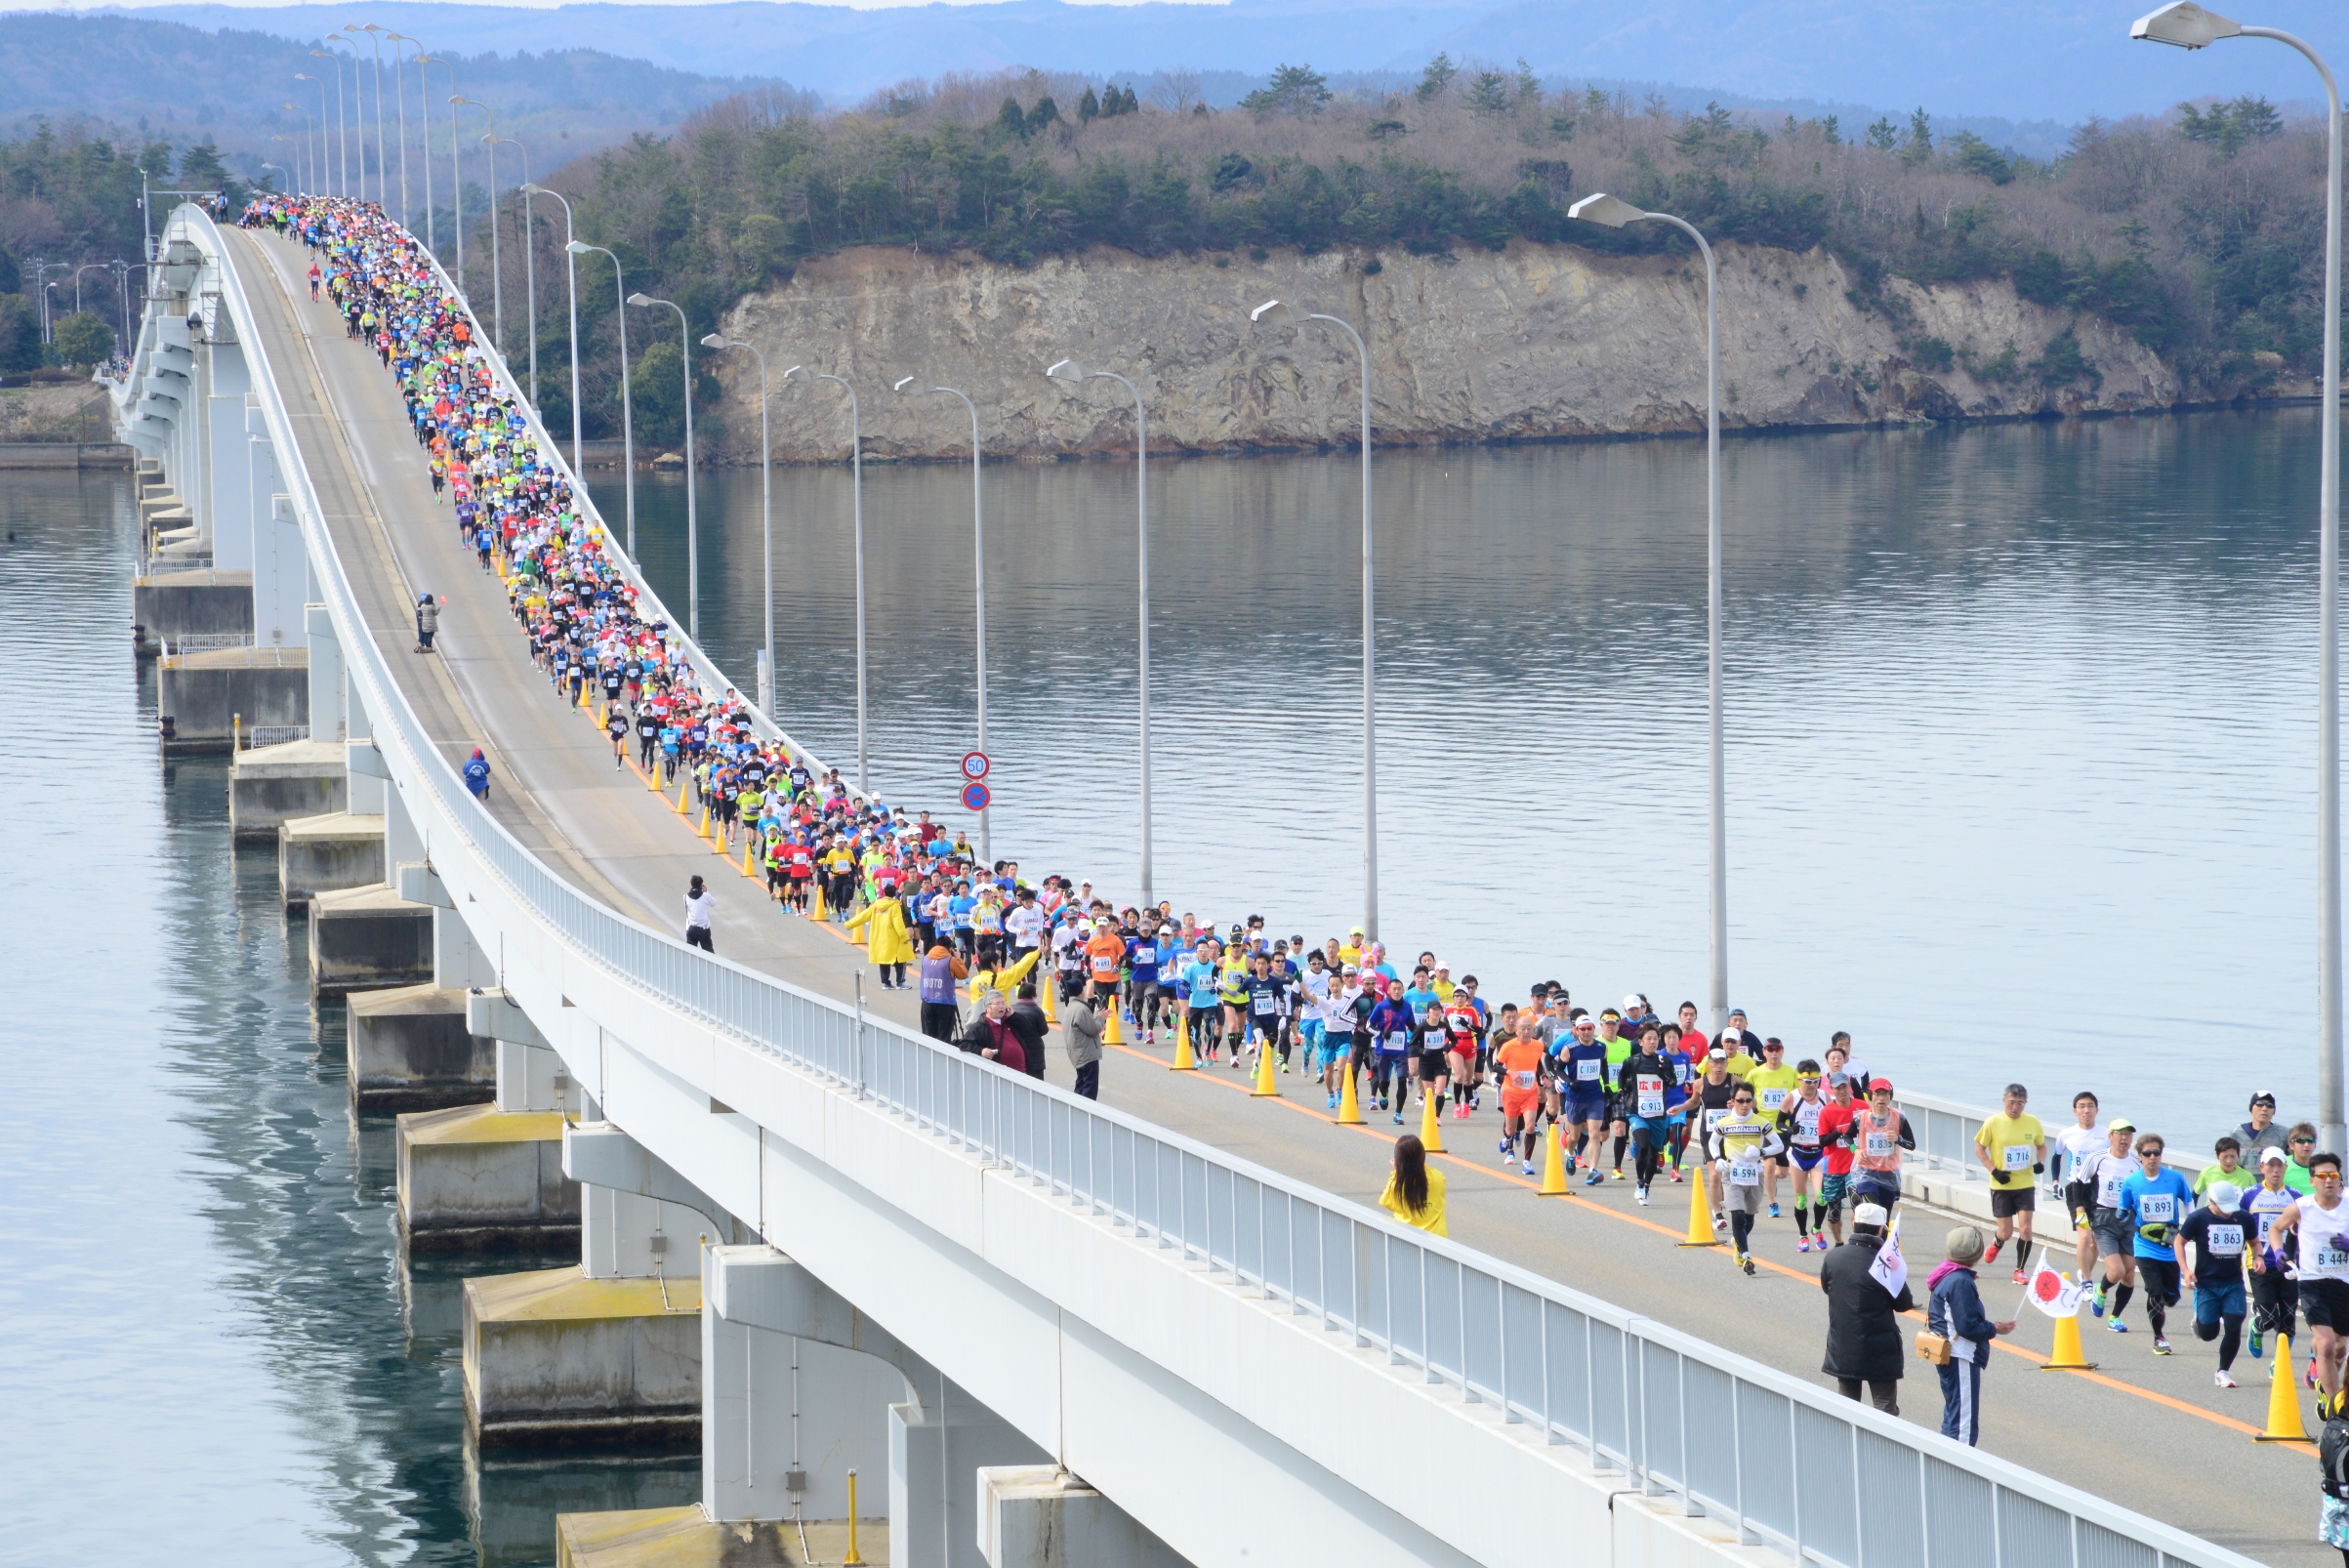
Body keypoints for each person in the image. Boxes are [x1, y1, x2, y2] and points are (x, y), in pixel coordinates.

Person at [2259, 1150, 2349, 1416]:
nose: (2328, 1180)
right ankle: (2335, 1409)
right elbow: (2275, 1229)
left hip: (2344, 1283)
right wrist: (2278, 1253)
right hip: (2313, 1282)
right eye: (2322, 1175)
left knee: (2340, 1349)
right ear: (2312, 1181)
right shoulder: (2302, 1206)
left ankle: (2324, 1384)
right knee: (2325, 1344)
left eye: (2333, 1175)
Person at [1820, 1201, 1913, 1415]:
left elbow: (1828, 1288)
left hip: (1843, 1343)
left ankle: (1847, 1447)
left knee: (1847, 1407)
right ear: (1881, 1229)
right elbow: (1904, 1303)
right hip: (1879, 1348)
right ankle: (1883, 1448)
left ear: (1854, 1222)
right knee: (1884, 1407)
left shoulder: (1834, 1257)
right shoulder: (1885, 1262)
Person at [1926, 1226, 2014, 1446]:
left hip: (1948, 1355)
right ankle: (1955, 1475)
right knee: (1963, 1424)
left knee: (1953, 1416)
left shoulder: (1946, 1274)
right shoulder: (1960, 1281)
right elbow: (1967, 1326)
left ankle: (1945, 1469)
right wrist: (1995, 1328)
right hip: (1960, 1356)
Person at [2117, 1131, 2198, 1355]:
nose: (2152, 1157)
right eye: (2147, 1153)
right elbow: (2123, 1210)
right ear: (2140, 1156)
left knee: (2170, 1297)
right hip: (2144, 1245)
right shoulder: (2131, 1182)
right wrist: (2120, 1217)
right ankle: (2158, 1338)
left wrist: (2194, 1226)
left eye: (2157, 1153)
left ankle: (2168, 1298)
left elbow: (2188, 1203)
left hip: (2170, 1245)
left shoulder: (2175, 1178)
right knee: (2154, 1291)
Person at [1707, 1083, 1788, 1275]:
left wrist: (1761, 1151)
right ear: (1733, 1101)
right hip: (1732, 1173)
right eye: (1740, 1101)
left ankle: (1738, 1241)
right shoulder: (1724, 1123)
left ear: (1753, 1101)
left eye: (1748, 1100)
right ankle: (1746, 1255)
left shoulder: (1761, 1122)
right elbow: (1712, 1142)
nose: (1744, 1105)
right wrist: (1718, 1159)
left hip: (1755, 1173)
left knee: (1749, 1217)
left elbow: (1779, 1146)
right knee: (1737, 1214)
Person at [2178, 1180, 2250, 1388]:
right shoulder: (2198, 1218)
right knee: (2208, 1333)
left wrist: (2259, 1258)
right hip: (2207, 1283)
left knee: (2234, 1324)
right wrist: (2186, 1270)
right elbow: (2179, 1242)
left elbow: (2254, 1241)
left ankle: (2223, 1371)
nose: (2228, 1213)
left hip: (2233, 1283)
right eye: (2223, 1207)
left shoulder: (2243, 1217)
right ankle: (2199, 1321)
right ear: (2212, 1201)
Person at [1975, 1083, 2046, 1284]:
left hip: (2024, 1184)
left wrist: (2039, 1162)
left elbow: (2041, 1146)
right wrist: (1994, 1171)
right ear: (2004, 1101)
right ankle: (1997, 1242)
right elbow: (1979, 1149)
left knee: (2025, 1229)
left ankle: (2019, 1270)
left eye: (2020, 1104)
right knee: (2006, 1232)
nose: (2015, 1107)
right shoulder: (1993, 1122)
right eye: (2011, 1102)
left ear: (2025, 1104)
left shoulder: (2032, 1122)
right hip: (2001, 1185)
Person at [2247, 1146, 2301, 1361]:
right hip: (2261, 1263)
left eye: (2280, 1165)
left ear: (2286, 1168)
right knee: (2269, 1318)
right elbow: (2238, 1224)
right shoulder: (2249, 1195)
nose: (2275, 1170)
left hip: (2288, 1265)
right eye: (2271, 1165)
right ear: (2262, 1168)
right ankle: (2257, 1327)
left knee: (2288, 1319)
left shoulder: (2296, 1197)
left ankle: (2279, 1363)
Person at [844, 889, 915, 989]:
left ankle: (886, 983)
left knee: (884, 960)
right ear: (894, 894)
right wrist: (904, 937)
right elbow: (898, 923)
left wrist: (849, 924)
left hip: (880, 938)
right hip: (894, 939)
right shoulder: (895, 906)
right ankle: (900, 982)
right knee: (901, 959)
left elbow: (863, 916)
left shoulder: (876, 905)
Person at [1379, 1134, 1447, 1236]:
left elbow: (1385, 1202)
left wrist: (1396, 1173)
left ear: (1398, 1160)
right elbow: (1440, 1195)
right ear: (1423, 1156)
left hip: (1407, 1238)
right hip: (1436, 1239)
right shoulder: (1437, 1176)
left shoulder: (1397, 1184)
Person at [916, 942, 968, 1043]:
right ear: (950, 949)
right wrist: (958, 958)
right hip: (945, 1002)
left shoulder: (926, 958)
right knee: (944, 1039)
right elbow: (963, 974)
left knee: (928, 1037)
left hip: (927, 1001)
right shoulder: (950, 960)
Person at [1064, 982, 1108, 1100]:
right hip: (1087, 1054)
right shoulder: (1081, 1009)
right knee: (1090, 1086)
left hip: (1078, 1052)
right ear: (1080, 993)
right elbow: (1093, 1029)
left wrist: (1097, 1017)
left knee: (1080, 1084)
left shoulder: (1070, 1007)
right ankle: (1086, 1112)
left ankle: (1076, 1111)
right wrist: (1101, 1019)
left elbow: (1085, 1024)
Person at [683, 874, 716, 953]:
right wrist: (706, 891)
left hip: (691, 928)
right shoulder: (705, 895)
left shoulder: (685, 897)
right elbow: (713, 903)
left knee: (690, 953)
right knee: (709, 953)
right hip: (703, 929)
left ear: (691, 884)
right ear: (701, 885)